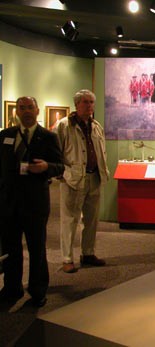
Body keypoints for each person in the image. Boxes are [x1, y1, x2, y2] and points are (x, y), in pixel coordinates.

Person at [0, 96, 64, 307]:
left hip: (35, 202)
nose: (26, 111)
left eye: (30, 107)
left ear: (37, 111)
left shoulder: (47, 137)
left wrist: (47, 167)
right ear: (16, 112)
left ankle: (37, 291)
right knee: (11, 248)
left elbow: (60, 166)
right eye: (22, 108)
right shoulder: (5, 136)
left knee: (37, 248)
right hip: (9, 203)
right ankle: (12, 288)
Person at [55, 89, 110, 274]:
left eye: (91, 102)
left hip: (94, 177)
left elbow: (102, 151)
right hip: (73, 179)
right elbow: (56, 153)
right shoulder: (64, 126)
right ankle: (67, 258)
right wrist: (62, 174)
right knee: (69, 220)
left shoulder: (96, 126)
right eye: (85, 102)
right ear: (76, 104)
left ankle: (88, 253)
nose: (89, 106)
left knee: (91, 220)